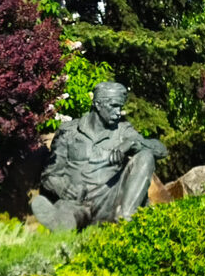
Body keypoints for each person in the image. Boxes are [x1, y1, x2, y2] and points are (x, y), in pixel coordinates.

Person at [32, 81, 168, 232]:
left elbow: (161, 150)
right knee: (68, 213)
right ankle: (61, 223)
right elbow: (50, 175)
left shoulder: (123, 131)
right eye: (113, 106)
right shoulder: (69, 132)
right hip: (78, 200)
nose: (118, 112)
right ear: (97, 104)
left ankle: (126, 218)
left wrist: (132, 143)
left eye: (120, 107)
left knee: (145, 155)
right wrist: (63, 188)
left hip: (111, 202)